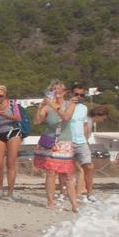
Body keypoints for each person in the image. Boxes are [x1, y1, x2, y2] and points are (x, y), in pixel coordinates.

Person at [34, 81, 81, 211]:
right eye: (54, 89)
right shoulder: (47, 105)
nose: (57, 91)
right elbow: (37, 121)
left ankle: (74, 204)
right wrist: (41, 107)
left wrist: (53, 105)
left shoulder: (70, 103)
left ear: (65, 92)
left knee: (67, 174)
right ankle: (50, 202)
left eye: (60, 89)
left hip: (64, 142)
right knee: (51, 172)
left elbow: (66, 117)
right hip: (50, 141)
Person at [0, 84, 23, 197]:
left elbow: (17, 118)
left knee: (11, 163)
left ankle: (10, 191)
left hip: (13, 132)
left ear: (5, 95)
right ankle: (0, 188)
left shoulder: (12, 104)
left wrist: (3, 114)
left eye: (1, 96)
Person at [69, 81, 96, 197]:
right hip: (67, 141)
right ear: (71, 93)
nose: (79, 97)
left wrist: (85, 139)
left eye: (81, 95)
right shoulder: (65, 105)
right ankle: (64, 192)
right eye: (76, 94)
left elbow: (85, 125)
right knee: (65, 169)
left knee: (88, 166)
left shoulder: (84, 108)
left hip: (81, 141)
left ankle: (89, 193)